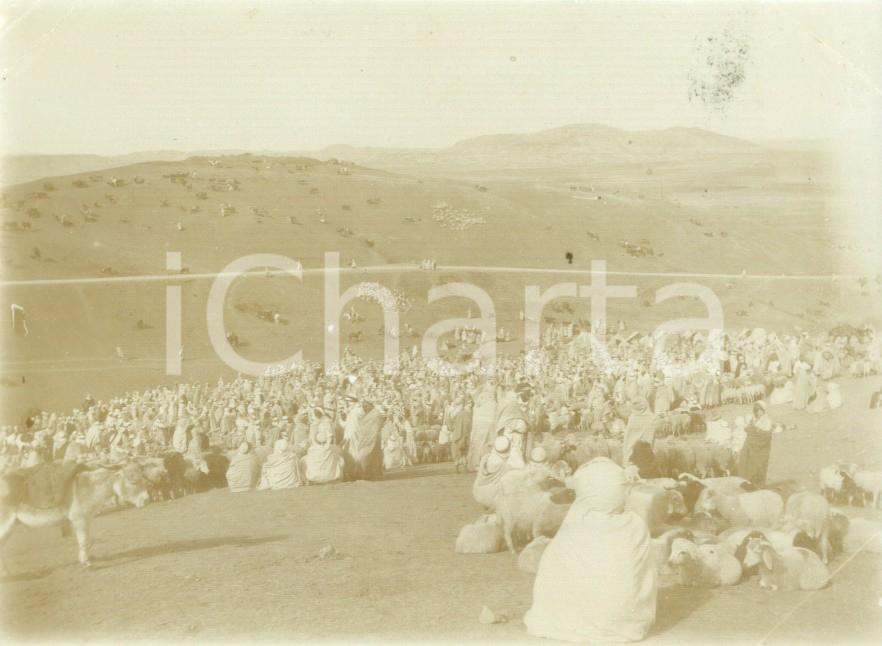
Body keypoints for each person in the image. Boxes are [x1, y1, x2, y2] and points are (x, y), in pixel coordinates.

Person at [524, 458, 656, 643]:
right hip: (625, 621)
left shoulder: (574, 526)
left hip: (568, 617)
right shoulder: (635, 527)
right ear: (620, 490)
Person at [738, 401, 774, 486]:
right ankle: (748, 482)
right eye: (756, 411)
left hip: (761, 450)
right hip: (751, 447)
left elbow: (766, 436)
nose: (758, 413)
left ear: (763, 411)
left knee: (759, 467)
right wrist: (751, 431)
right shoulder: (753, 420)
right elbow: (750, 430)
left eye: (760, 410)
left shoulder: (767, 421)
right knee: (747, 463)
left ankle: (759, 485)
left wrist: (755, 432)